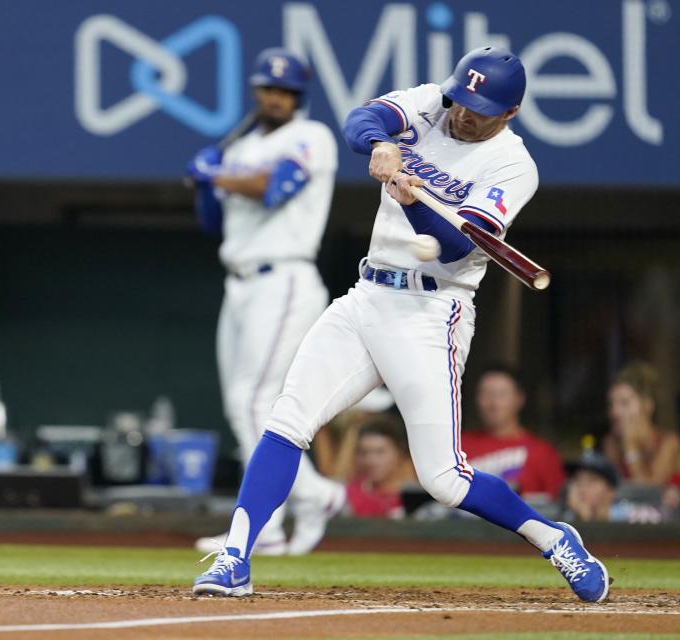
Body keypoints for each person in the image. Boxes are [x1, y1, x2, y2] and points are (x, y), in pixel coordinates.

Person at [192, 46, 609, 603]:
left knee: (444, 479)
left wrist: (412, 198)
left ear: (509, 113)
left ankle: (551, 536)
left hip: (432, 311)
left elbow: (459, 247)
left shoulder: (513, 165)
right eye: (462, 98)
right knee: (286, 418)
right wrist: (384, 144)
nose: (464, 113)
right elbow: (360, 120)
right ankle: (235, 556)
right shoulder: (433, 103)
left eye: (480, 108)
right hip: (367, 296)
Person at [186, 48, 344, 557]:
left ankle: (316, 495)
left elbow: (277, 188)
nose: (275, 97)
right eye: (268, 89)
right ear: (256, 91)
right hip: (239, 280)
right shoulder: (240, 148)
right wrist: (205, 185)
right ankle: (270, 527)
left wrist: (216, 176)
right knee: (241, 403)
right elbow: (214, 222)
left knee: (256, 401)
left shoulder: (311, 137)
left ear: (297, 96)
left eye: (285, 91)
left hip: (285, 278)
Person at [461, 365, 566, 501]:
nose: (493, 403)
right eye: (486, 394)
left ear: (520, 399)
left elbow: (557, 506)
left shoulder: (542, 452)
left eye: (501, 394)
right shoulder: (458, 445)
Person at [602, 362, 680, 512]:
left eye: (624, 403)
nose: (614, 412)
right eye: (612, 404)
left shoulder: (669, 442)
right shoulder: (611, 443)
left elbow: (647, 494)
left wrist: (630, 446)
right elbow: (615, 497)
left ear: (647, 405)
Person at [341, 415, 416, 519]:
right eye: (363, 452)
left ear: (399, 453)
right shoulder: (347, 495)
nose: (371, 461)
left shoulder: (416, 497)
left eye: (380, 452)